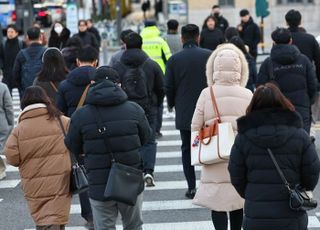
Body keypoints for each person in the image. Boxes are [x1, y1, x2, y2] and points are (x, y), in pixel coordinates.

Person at [65, 66, 151, 230]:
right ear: (118, 85)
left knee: (104, 226)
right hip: (129, 177)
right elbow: (146, 138)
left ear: (92, 84)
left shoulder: (81, 115)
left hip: (99, 181)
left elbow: (72, 145)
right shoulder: (134, 109)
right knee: (133, 225)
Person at [228, 83, 320, 230]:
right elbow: (312, 172)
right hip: (291, 212)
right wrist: (301, 188)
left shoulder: (243, 138)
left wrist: (251, 193)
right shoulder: (299, 135)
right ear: (283, 102)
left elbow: (236, 174)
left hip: (256, 214)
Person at [191, 43, 252, 230]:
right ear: (240, 69)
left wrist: (196, 146)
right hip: (239, 154)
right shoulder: (247, 94)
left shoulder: (206, 93)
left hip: (213, 152)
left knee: (217, 201)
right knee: (237, 200)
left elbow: (195, 124)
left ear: (214, 69)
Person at [5, 86, 72, 230]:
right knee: (56, 216)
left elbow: (12, 158)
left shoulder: (19, 129)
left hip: (34, 181)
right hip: (61, 179)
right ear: (46, 100)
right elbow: (76, 144)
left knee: (43, 218)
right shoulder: (62, 121)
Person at [165, 24, 211, 199]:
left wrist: (170, 103)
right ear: (198, 37)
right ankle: (208, 185)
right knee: (209, 148)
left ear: (182, 38)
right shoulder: (209, 56)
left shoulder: (174, 60)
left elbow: (168, 86)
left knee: (187, 148)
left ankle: (191, 187)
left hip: (185, 110)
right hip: (207, 109)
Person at [113, 32, 164, 187]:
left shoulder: (117, 65)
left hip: (124, 108)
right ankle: (148, 170)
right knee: (149, 140)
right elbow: (161, 87)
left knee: (129, 139)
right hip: (148, 107)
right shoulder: (151, 64)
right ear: (141, 45)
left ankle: (133, 170)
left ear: (125, 46)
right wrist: (157, 103)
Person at [57, 46, 98, 229]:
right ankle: (103, 210)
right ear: (96, 61)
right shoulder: (102, 79)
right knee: (101, 168)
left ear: (77, 62)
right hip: (101, 129)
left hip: (78, 133)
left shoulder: (66, 84)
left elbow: (60, 112)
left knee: (82, 171)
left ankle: (89, 214)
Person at [257, 28, 317, 134]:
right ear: (290, 41)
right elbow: (312, 85)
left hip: (276, 110)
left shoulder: (267, 63)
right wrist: (308, 102)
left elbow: (260, 89)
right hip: (302, 108)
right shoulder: (304, 60)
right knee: (302, 143)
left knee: (280, 145)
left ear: (274, 43)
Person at [285, 10, 320, 84]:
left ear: (286, 22)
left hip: (284, 79)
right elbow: (318, 60)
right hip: (306, 78)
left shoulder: (280, 38)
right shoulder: (310, 38)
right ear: (300, 22)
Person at [12, 27, 46, 97]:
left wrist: (21, 88)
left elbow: (15, 74)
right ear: (40, 37)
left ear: (27, 37)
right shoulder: (46, 52)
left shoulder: (21, 53)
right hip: (43, 92)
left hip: (26, 92)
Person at [0, 24, 27, 94]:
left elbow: (25, 57)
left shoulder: (21, 44)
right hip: (7, 74)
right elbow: (1, 57)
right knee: (6, 95)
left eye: (12, 32)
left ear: (16, 33)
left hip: (19, 74)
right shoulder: (3, 44)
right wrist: (2, 67)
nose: (10, 34)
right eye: (8, 32)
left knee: (22, 94)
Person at [0, 82, 13, 180]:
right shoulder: (3, 87)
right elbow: (8, 107)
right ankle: (1, 170)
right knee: (1, 147)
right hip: (1, 122)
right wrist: (10, 123)